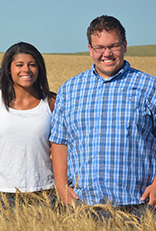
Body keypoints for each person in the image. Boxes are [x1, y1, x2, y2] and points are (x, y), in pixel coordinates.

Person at [50, 15, 156, 214]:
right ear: (90, 49)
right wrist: (62, 187)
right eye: (99, 47)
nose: (107, 53)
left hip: (138, 203)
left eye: (113, 46)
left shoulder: (150, 87)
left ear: (124, 45)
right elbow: (59, 143)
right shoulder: (70, 89)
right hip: (82, 203)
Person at [0, 42, 56, 200]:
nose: (26, 70)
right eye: (19, 65)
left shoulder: (51, 102)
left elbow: (62, 147)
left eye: (32, 65)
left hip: (45, 189)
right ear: (9, 68)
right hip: (4, 190)